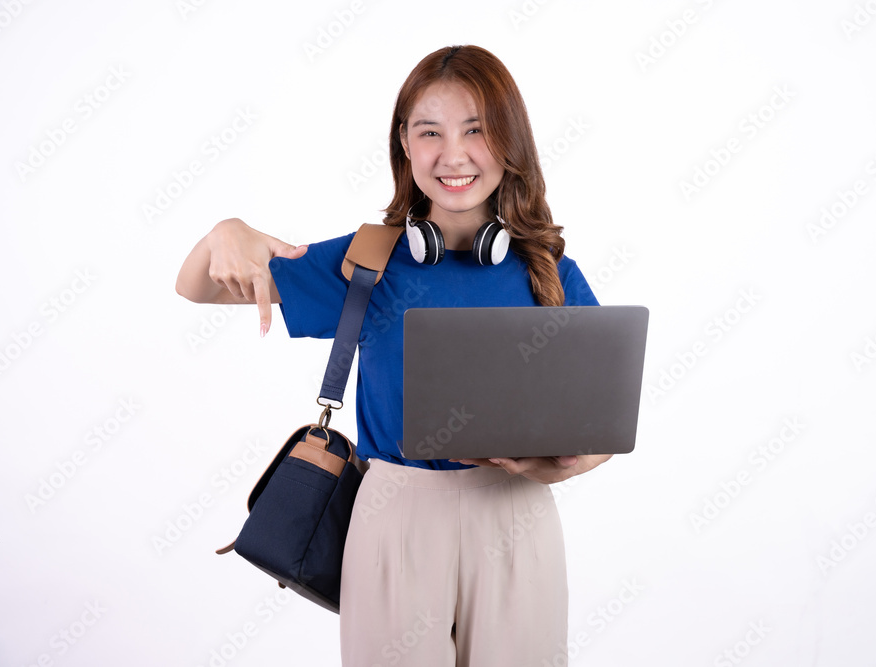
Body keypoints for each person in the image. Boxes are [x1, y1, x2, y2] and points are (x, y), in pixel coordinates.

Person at [177, 44, 613, 667]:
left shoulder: (549, 272)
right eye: (429, 132)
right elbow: (194, 287)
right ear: (404, 145)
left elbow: (602, 423)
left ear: (509, 143)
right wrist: (225, 232)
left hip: (518, 520)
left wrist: (561, 465)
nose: (453, 154)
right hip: (394, 517)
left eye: (477, 131)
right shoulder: (367, 260)